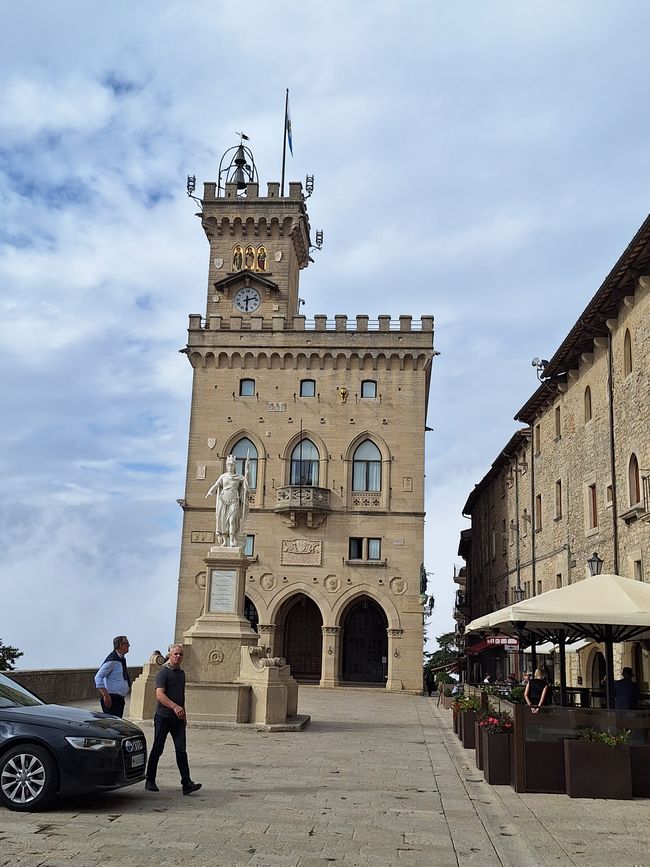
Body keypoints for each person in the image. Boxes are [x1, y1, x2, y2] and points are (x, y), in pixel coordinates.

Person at [145, 644, 202, 795]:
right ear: (170, 655)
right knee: (158, 748)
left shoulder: (181, 674)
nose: (178, 657)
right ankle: (150, 779)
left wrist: (184, 714)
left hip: (178, 719)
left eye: (181, 655)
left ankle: (186, 783)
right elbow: (159, 695)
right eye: (176, 654)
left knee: (181, 750)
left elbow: (180, 696)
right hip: (163, 717)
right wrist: (174, 707)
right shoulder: (163, 673)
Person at [205, 454, 249, 547]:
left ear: (234, 466)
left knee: (232, 520)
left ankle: (232, 539)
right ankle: (225, 541)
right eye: (228, 465)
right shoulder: (223, 476)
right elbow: (217, 485)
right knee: (223, 520)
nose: (230, 467)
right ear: (226, 466)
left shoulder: (239, 476)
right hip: (223, 499)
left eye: (232, 465)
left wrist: (247, 472)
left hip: (234, 500)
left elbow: (245, 485)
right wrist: (210, 491)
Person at [94, 636, 131, 717]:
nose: (129, 646)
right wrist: (106, 695)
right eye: (127, 643)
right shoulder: (113, 660)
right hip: (112, 699)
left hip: (119, 699)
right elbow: (98, 677)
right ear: (121, 645)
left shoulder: (120, 659)